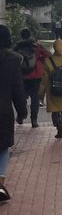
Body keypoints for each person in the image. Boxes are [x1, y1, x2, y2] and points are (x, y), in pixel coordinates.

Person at [0, 25, 27, 202]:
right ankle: (0, 184)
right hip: (3, 112)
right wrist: (22, 111)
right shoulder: (13, 60)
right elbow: (18, 89)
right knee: (2, 148)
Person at [13, 28, 49, 127]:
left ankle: (21, 116)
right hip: (36, 75)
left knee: (21, 97)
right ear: (30, 35)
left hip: (22, 75)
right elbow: (48, 54)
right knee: (35, 98)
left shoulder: (17, 46)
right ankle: (34, 120)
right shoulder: (36, 46)